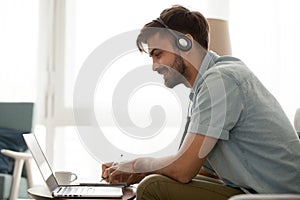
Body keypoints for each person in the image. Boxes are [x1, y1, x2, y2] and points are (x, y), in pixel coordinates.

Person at [102, 5, 300, 200]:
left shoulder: (220, 81)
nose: (154, 67)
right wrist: (130, 169)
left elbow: (183, 170)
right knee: (155, 179)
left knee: (152, 186)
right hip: (255, 189)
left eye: (158, 54)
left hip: (279, 194)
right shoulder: (204, 88)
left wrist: (137, 166)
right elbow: (202, 169)